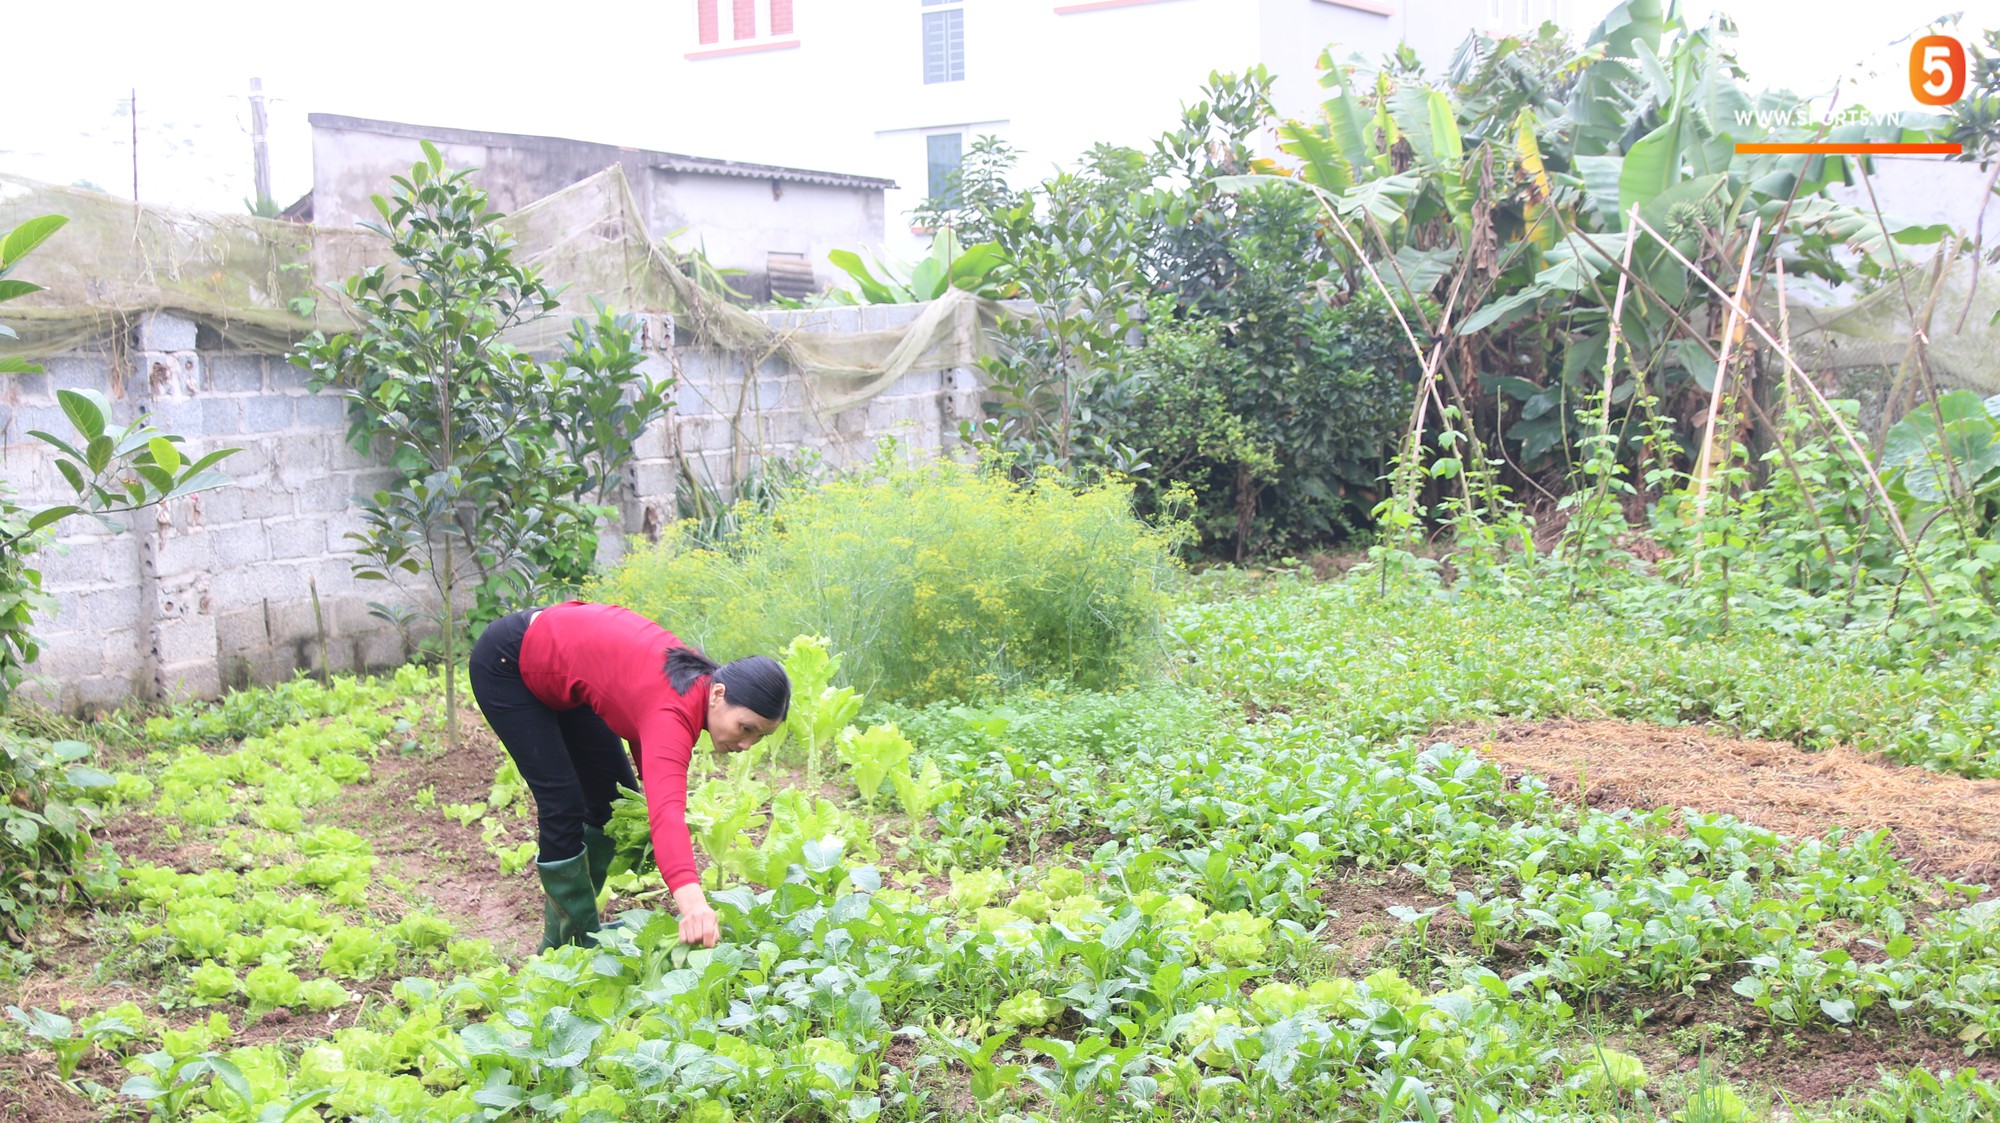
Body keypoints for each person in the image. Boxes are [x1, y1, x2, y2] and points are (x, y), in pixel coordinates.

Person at [467, 600, 790, 950]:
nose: (746, 744)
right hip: (510, 665)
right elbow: (666, 812)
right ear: (719, 694)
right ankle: (563, 948)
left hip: (565, 670)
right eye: (746, 728)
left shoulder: (697, 684)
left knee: (611, 800)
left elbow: (645, 732)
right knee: (562, 802)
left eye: (759, 736)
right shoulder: (673, 709)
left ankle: (579, 928)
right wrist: (694, 906)